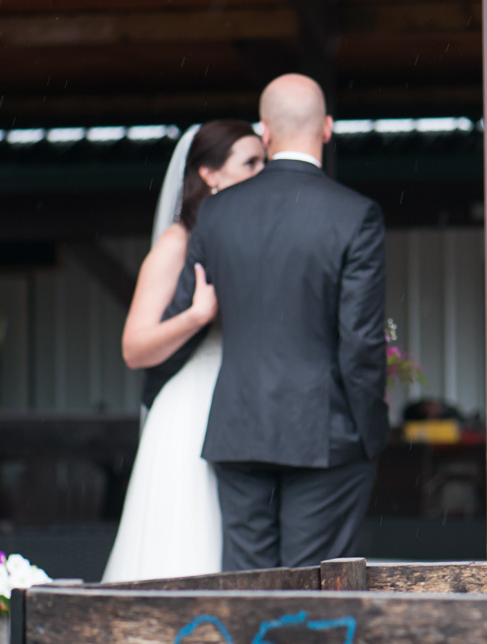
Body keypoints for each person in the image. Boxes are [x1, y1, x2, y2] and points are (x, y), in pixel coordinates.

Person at [161, 74, 388, 570]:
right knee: (312, 595)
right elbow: (362, 341)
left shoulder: (216, 214)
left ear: (265, 133)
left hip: (238, 428)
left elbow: (181, 322)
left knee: (249, 591)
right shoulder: (354, 215)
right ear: (327, 128)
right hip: (324, 433)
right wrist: (373, 431)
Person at [100, 121, 266, 583]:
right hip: (191, 403)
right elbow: (133, 347)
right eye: (251, 163)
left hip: (240, 398)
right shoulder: (176, 243)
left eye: (265, 162)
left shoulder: (250, 235)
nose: (263, 171)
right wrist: (196, 316)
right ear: (210, 174)